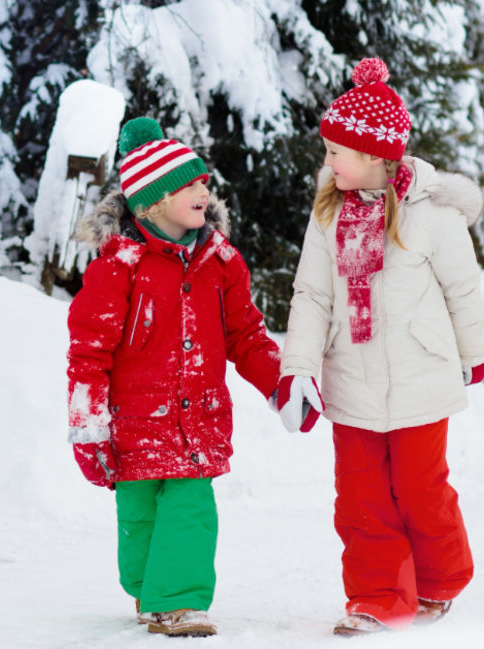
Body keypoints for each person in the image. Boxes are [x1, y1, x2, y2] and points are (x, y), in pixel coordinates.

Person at [274, 58, 484, 636]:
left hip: (421, 375)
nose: (327, 163)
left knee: (422, 490)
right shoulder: (327, 214)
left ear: (373, 155)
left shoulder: (433, 214)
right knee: (362, 498)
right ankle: (376, 597)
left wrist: (476, 351)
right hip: (351, 377)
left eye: (334, 153)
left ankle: (440, 580)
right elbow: (312, 296)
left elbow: (462, 289)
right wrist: (298, 368)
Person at [66, 117, 281, 638]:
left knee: (189, 509)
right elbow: (88, 351)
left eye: (203, 181)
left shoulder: (221, 262)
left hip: (197, 419)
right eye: (190, 184)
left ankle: (180, 602)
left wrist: (280, 383)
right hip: (133, 421)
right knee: (139, 515)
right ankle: (149, 591)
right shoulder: (118, 266)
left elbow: (246, 335)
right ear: (155, 200)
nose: (204, 191)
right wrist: (88, 425)